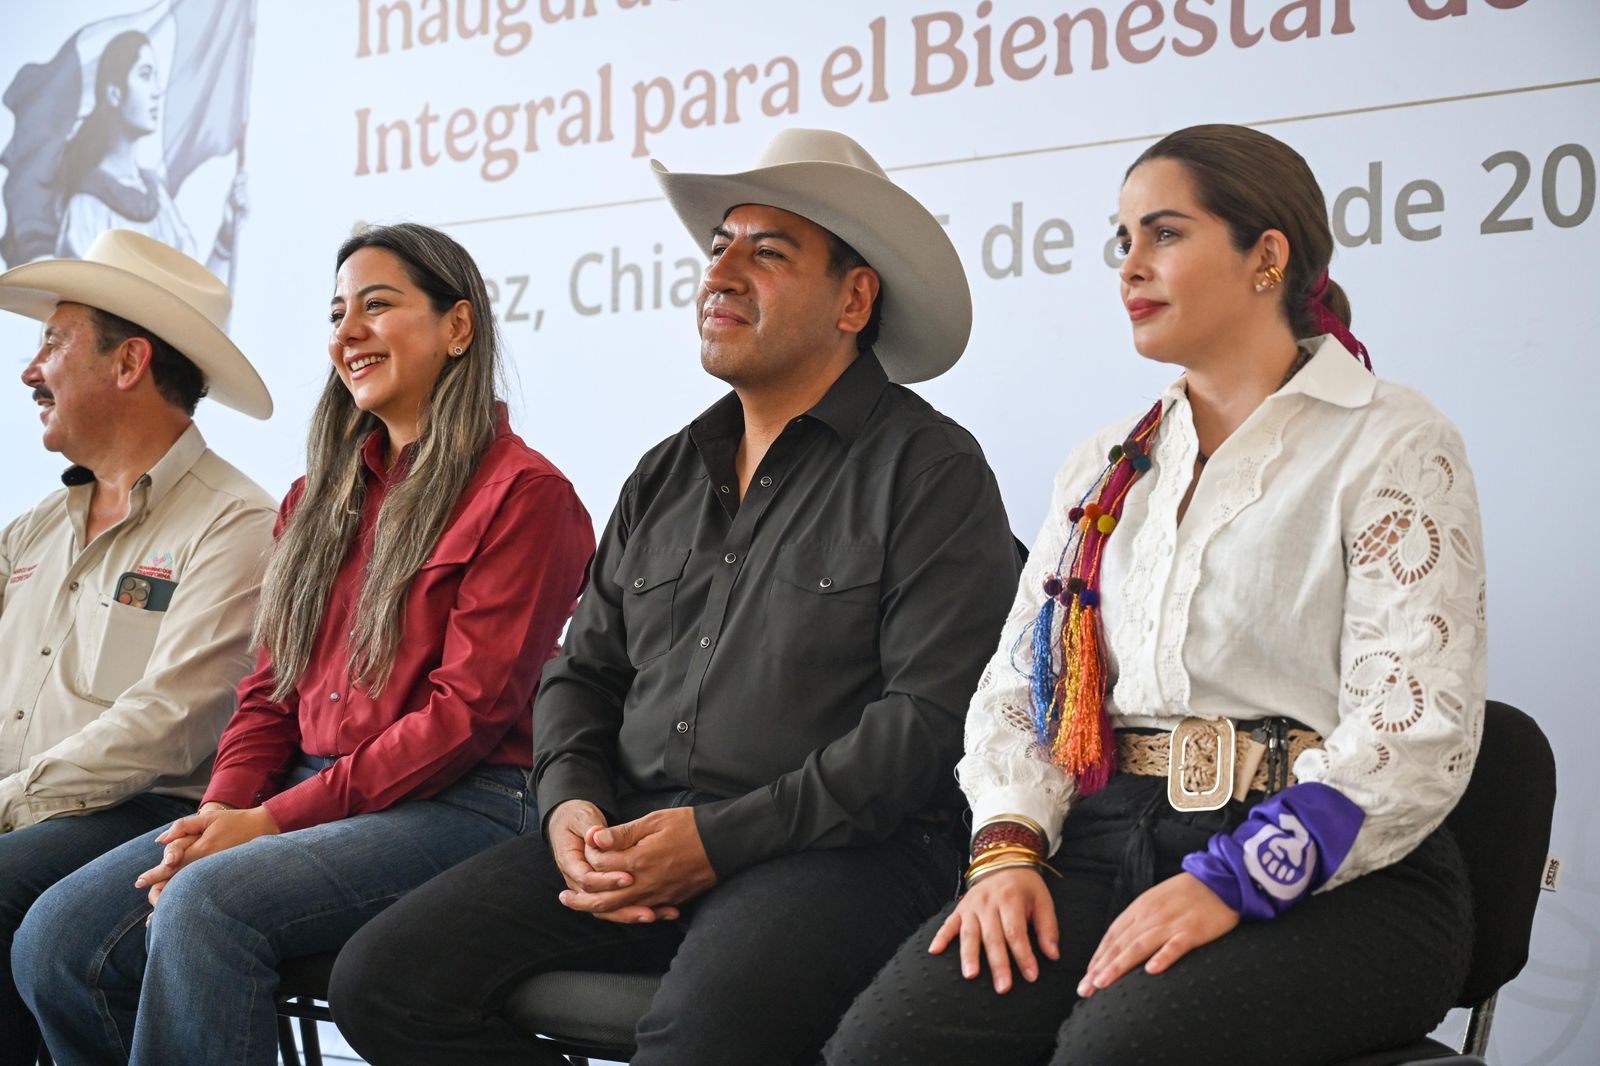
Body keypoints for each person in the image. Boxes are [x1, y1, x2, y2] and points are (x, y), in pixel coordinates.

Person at [330, 128, 1023, 1065]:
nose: (720, 273)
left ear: (855, 299)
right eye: (719, 247)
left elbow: (929, 725)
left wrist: (716, 840)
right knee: (382, 983)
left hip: (836, 851)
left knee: (701, 1037)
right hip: (634, 833)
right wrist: (570, 806)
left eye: (766, 253)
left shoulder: (930, 469)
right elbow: (580, 675)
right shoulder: (666, 473)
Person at [825, 123, 1487, 1066]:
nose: (1129, 266)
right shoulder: (1105, 464)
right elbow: (1021, 689)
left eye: (1165, 234)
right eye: (1122, 239)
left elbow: (1412, 732)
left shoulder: (1392, 440)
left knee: (1116, 1053)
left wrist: (1233, 881)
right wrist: (1010, 849)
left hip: (1340, 872)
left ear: (1267, 257)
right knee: (886, 1048)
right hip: (1105, 840)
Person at [14, 222, 596, 1065]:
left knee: (207, 906)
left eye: (376, 305)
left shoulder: (525, 494)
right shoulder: (313, 498)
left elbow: (464, 718)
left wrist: (269, 820)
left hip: (465, 802)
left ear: (459, 327)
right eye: (335, 314)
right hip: (309, 789)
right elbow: (267, 695)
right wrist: (221, 813)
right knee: (58, 938)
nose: (347, 332)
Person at [0, 229, 275, 1066]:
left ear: (129, 364)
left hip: (146, 812)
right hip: (27, 810)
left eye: (54, 342)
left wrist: (8, 801)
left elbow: (169, 725)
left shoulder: (235, 522)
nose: (30, 370)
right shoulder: (31, 530)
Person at [53, 30, 246, 279]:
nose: (157, 91)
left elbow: (192, 297)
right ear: (115, 94)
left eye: (156, 77)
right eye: (145, 75)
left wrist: (225, 237)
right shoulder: (86, 208)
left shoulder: (159, 201)